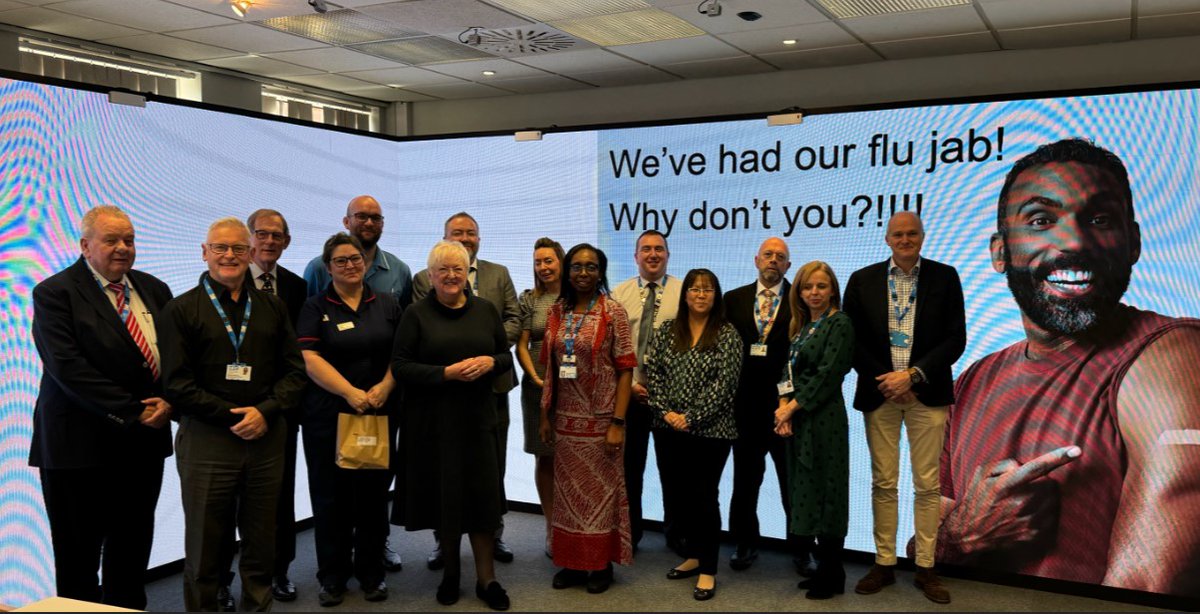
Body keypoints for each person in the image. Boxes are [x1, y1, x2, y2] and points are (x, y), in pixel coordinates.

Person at [938, 138, 1200, 597]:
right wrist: (963, 533)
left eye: (1099, 220)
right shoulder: (972, 381)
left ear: (1133, 243)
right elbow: (925, 545)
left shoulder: (1175, 358)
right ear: (1000, 253)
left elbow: (1144, 588)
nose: (1074, 242)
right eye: (1041, 220)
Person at [29, 205, 173, 610]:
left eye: (129, 240)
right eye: (112, 240)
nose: (123, 248)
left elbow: (178, 354)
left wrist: (169, 400)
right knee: (79, 556)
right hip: (79, 448)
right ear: (85, 245)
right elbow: (67, 368)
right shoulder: (55, 292)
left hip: (142, 446)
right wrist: (133, 410)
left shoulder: (154, 288)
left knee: (131, 546)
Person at [160, 217, 307, 612]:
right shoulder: (180, 310)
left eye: (239, 249)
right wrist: (234, 416)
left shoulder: (272, 307)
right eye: (221, 248)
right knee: (206, 549)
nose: (230, 256)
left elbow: (294, 372)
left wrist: (265, 411)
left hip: (265, 439)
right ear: (204, 252)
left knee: (261, 544)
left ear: (250, 253)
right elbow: (176, 385)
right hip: (208, 440)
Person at [842, 211, 966, 605]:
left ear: (923, 236)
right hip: (881, 393)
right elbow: (852, 340)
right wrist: (889, 380)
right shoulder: (862, 280)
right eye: (899, 234)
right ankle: (883, 562)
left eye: (912, 233)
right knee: (883, 482)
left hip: (925, 395)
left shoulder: (945, 277)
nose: (905, 239)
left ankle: (926, 567)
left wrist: (912, 376)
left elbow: (955, 339)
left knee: (928, 484)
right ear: (887, 239)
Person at [391, 240, 513, 611]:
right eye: (442, 269)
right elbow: (400, 366)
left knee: (482, 500)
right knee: (445, 500)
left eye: (457, 269)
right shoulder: (416, 314)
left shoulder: (486, 310)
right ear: (430, 276)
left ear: (467, 273)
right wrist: (445, 373)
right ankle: (450, 576)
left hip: (477, 421)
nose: (450, 275)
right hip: (433, 424)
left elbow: (504, 355)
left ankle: (486, 579)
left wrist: (491, 363)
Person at [304, 194, 410, 572]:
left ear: (365, 264)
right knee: (331, 497)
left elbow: (402, 354)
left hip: (379, 410)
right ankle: (332, 575)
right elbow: (310, 356)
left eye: (355, 259)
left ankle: (371, 572)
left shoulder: (389, 303)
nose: (349, 265)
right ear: (327, 267)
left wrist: (383, 388)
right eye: (340, 260)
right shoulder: (315, 305)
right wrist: (349, 392)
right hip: (330, 414)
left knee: (372, 495)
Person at [412, 212, 520, 568]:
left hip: (490, 389)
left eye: (470, 232)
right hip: (442, 396)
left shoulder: (498, 274)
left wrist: (485, 355)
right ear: (444, 239)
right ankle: (445, 543)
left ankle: (494, 534)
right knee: (444, 473)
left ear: (479, 238)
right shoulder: (422, 279)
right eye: (456, 233)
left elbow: (513, 319)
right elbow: (427, 323)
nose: (464, 238)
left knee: (491, 469)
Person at [213, 209, 308, 609]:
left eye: (277, 236)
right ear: (250, 239)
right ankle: (219, 579)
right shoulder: (223, 281)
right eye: (262, 234)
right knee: (222, 504)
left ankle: (277, 571)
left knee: (278, 499)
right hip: (227, 416)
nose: (269, 242)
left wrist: (273, 406)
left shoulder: (296, 287)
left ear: (286, 242)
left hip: (279, 412)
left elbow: (296, 356)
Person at [539, 243, 635, 594]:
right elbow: (550, 367)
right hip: (565, 420)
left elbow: (626, 370)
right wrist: (545, 416)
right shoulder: (558, 311)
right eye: (576, 267)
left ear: (601, 271)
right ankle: (574, 565)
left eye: (590, 267)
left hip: (601, 422)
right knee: (569, 497)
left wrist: (618, 423)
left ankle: (600, 565)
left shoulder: (614, 311)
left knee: (600, 496)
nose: (583, 273)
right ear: (568, 271)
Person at [645, 269, 742, 601]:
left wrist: (691, 418)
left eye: (708, 289)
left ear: (716, 295)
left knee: (704, 497)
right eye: (695, 289)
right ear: (685, 294)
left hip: (711, 431)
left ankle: (708, 570)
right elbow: (653, 374)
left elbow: (725, 386)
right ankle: (694, 555)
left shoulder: (728, 334)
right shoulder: (667, 331)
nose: (701, 295)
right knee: (679, 496)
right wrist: (668, 413)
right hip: (667, 427)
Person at [725, 237, 816, 573]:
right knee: (745, 482)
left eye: (780, 257)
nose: (773, 260)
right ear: (756, 260)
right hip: (744, 409)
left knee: (793, 484)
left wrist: (792, 404)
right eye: (768, 255)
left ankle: (802, 549)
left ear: (788, 266)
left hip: (786, 410)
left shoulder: (802, 303)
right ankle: (745, 543)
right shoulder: (732, 300)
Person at [773, 261, 855, 600]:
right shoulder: (802, 326)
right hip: (800, 418)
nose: (814, 293)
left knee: (828, 491)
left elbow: (828, 373)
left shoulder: (840, 323)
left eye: (821, 286)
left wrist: (791, 408)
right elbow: (786, 370)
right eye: (807, 287)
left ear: (833, 289)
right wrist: (783, 407)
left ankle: (833, 571)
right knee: (807, 490)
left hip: (824, 419)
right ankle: (825, 568)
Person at [611, 229, 681, 551]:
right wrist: (632, 385)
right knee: (630, 469)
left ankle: (677, 534)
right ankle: (632, 533)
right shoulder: (618, 294)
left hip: (671, 399)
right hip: (631, 394)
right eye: (646, 249)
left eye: (659, 249)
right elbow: (610, 348)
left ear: (668, 254)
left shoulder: (684, 292)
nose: (653, 254)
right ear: (636, 256)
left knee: (673, 470)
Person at [514, 237, 565, 557]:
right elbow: (521, 343)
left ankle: (572, 524)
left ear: (561, 261)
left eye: (549, 260)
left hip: (573, 389)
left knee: (571, 458)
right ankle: (550, 527)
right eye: (538, 262)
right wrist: (533, 374)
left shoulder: (577, 297)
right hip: (536, 388)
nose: (543, 267)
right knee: (544, 456)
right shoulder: (529, 299)